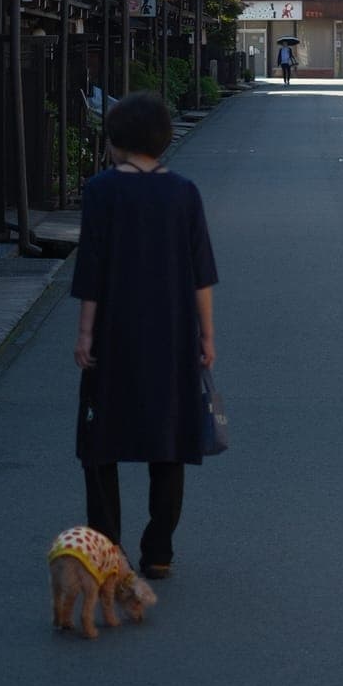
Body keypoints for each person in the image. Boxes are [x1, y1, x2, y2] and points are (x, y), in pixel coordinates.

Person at [72, 91, 218, 579]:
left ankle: (108, 546)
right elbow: (202, 274)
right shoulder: (184, 192)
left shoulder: (101, 191)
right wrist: (207, 337)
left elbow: (91, 270)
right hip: (173, 334)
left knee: (99, 441)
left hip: (115, 332)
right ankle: (158, 551)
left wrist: (85, 333)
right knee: (168, 439)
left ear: (116, 140)